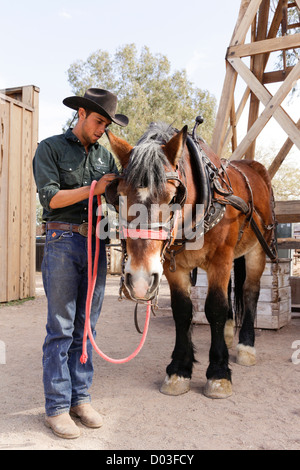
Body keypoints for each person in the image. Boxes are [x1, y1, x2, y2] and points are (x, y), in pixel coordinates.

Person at [33, 88, 129, 439]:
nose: (101, 129)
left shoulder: (107, 159)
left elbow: (120, 200)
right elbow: (53, 198)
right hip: (61, 240)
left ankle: (80, 398)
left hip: (97, 242)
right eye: (98, 121)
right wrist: (94, 188)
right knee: (60, 327)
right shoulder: (50, 148)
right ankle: (57, 407)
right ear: (81, 115)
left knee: (87, 325)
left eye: (106, 124)